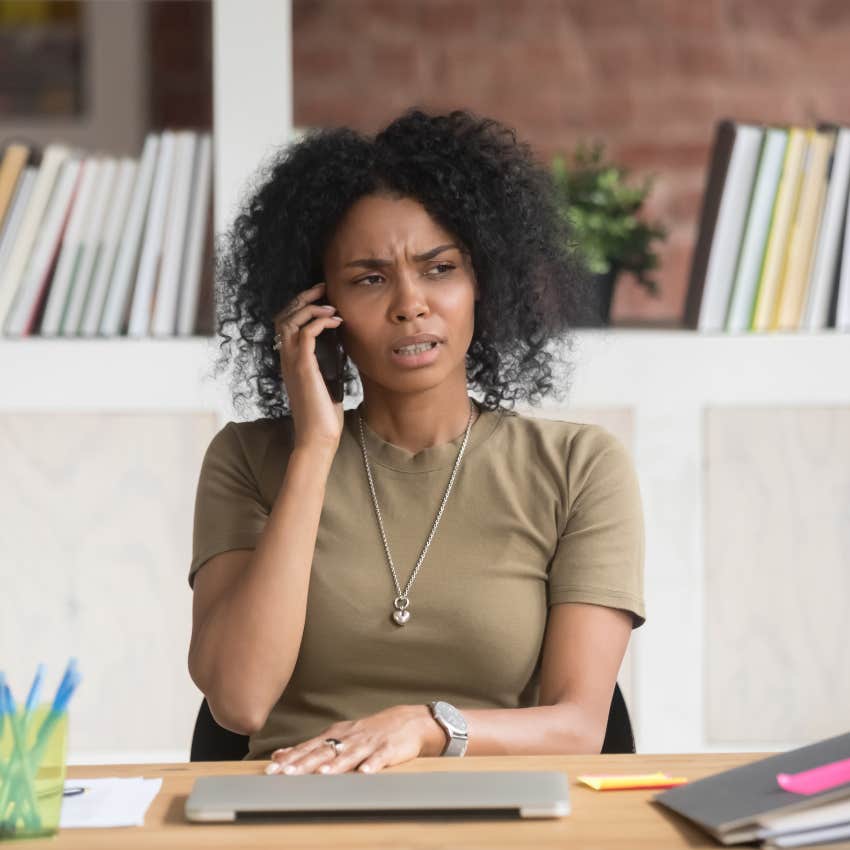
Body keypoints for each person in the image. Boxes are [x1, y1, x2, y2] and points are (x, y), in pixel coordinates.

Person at [188, 108, 646, 776]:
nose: (410, 303)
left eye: (439, 269)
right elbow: (240, 702)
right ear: (319, 305)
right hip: (294, 810)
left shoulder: (579, 467)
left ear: (482, 283)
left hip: (500, 819)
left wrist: (427, 727)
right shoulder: (249, 461)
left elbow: (579, 729)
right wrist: (315, 449)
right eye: (370, 278)